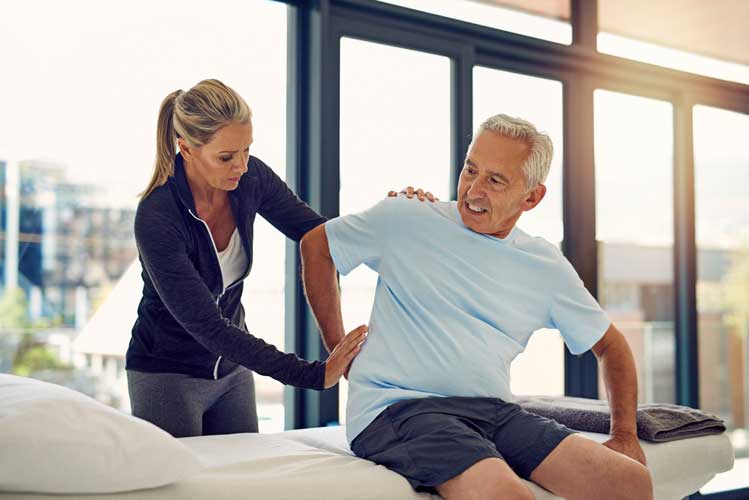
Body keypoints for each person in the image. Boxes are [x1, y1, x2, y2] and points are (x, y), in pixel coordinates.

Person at [300, 114, 654, 500]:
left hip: (494, 413)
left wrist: (624, 435)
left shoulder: (544, 265)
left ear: (532, 197)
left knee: (630, 482)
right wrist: (339, 351)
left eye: (495, 180)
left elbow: (611, 346)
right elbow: (317, 246)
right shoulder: (407, 217)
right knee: (509, 496)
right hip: (398, 409)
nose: (473, 190)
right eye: (471, 170)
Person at [125, 79, 434, 438]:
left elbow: (319, 235)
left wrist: (393, 217)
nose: (241, 165)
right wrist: (313, 374)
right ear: (186, 149)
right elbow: (208, 327)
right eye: (226, 157)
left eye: (246, 150)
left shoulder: (249, 177)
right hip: (166, 374)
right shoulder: (157, 216)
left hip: (231, 373)